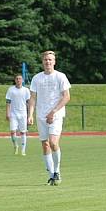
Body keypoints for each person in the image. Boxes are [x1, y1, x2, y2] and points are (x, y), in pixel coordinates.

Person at [30, 51, 71, 185]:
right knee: (45, 144)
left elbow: (66, 97)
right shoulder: (37, 78)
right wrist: (30, 114)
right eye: (46, 60)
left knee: (53, 142)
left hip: (56, 114)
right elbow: (33, 98)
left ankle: (57, 171)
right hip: (41, 115)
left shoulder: (60, 76)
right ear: (42, 62)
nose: (48, 62)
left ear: (54, 62)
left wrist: (53, 112)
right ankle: (51, 175)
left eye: (50, 60)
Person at [6, 74, 32, 155]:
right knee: (13, 131)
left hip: (23, 114)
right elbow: (8, 102)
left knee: (23, 132)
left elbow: (28, 103)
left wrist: (29, 115)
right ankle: (15, 146)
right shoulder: (11, 90)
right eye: (17, 78)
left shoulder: (26, 90)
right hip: (13, 114)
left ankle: (23, 150)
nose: (18, 80)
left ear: (22, 80)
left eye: (20, 78)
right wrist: (7, 113)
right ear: (15, 80)